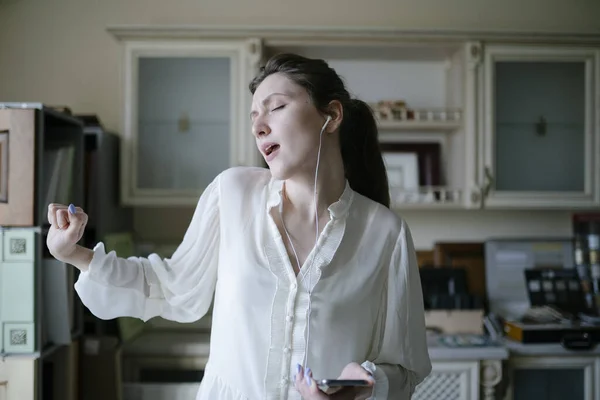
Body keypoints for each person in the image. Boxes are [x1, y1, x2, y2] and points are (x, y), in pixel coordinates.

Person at [46, 53, 431, 400]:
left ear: (331, 115)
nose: (259, 127)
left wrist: (363, 384)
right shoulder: (232, 193)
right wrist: (73, 253)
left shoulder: (386, 233)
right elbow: (169, 285)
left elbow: (405, 371)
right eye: (253, 118)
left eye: (275, 107)